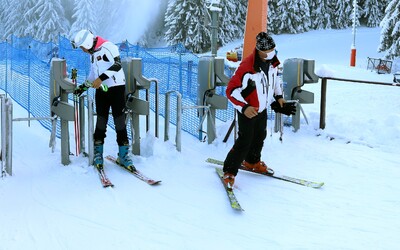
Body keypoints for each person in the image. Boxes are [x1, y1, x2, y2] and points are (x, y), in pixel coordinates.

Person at [223, 32, 296, 189]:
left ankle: (252, 161)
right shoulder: (247, 67)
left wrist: (279, 98)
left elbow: (275, 79)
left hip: (261, 109)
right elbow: (231, 90)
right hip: (248, 110)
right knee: (245, 141)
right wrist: (244, 107)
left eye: (273, 49)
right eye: (270, 50)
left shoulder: (272, 62)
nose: (273, 52)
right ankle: (229, 170)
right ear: (260, 50)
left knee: (259, 136)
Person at [71, 29, 134, 171]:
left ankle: (123, 155)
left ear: (87, 43)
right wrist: (82, 88)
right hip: (102, 91)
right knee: (100, 122)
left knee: (119, 122)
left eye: (82, 47)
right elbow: (93, 74)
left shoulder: (108, 46)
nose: (82, 50)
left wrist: (101, 79)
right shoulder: (93, 55)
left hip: (117, 89)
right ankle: (98, 153)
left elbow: (117, 65)